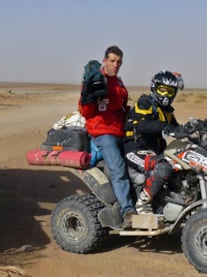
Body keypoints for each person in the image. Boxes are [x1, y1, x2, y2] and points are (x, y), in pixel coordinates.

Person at [78, 45, 136, 229]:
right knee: (119, 170)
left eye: (119, 62)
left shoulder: (118, 83)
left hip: (119, 131)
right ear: (104, 61)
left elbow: (122, 108)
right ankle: (128, 211)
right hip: (103, 133)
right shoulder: (96, 80)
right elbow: (85, 111)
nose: (115, 64)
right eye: (112, 61)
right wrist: (87, 96)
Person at [123, 70, 187, 214]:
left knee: (180, 166)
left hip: (153, 151)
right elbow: (142, 125)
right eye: (162, 90)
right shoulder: (145, 102)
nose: (165, 95)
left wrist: (192, 129)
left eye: (169, 92)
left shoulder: (167, 110)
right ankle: (142, 204)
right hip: (134, 148)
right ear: (154, 88)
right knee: (163, 168)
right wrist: (164, 126)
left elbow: (176, 128)